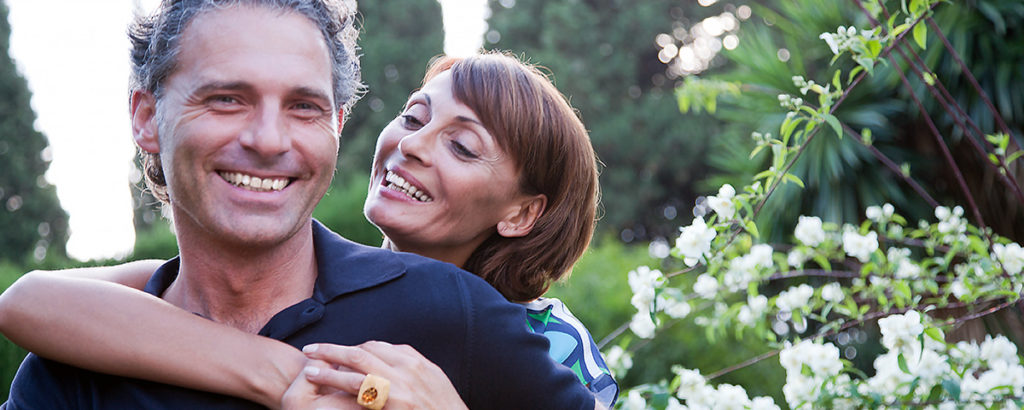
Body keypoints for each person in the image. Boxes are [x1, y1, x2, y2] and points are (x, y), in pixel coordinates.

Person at [0, 1, 606, 409]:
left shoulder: (468, 316)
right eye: (226, 99)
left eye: (304, 106)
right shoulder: (77, 363)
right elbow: (30, 299)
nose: (267, 139)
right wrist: (285, 372)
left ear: (337, 125)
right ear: (145, 118)